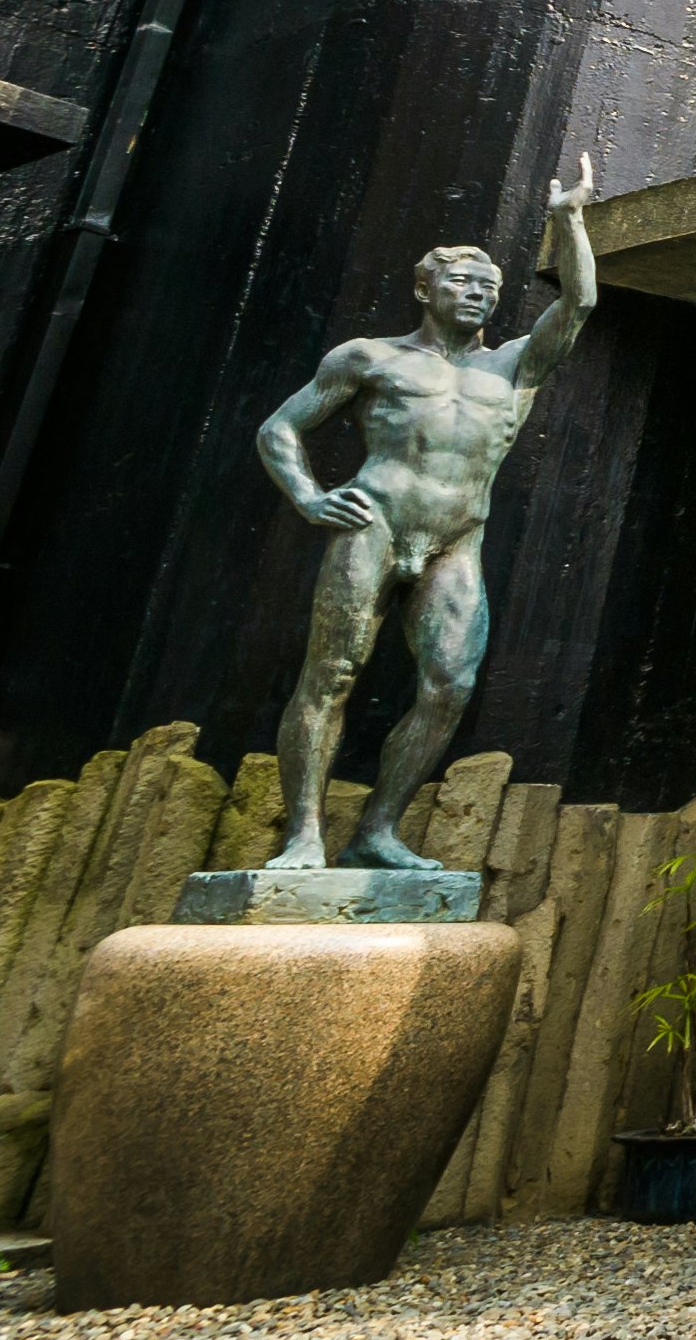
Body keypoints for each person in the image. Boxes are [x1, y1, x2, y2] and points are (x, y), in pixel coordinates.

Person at [255, 157, 597, 869]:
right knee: (330, 676)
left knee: (451, 686)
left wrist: (568, 220)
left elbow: (579, 304)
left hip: (456, 539)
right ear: (425, 288)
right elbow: (279, 428)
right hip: (373, 524)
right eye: (463, 281)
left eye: (489, 287)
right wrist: (310, 498)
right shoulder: (370, 358)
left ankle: (376, 831)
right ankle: (303, 836)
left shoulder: (514, 366)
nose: (478, 294)